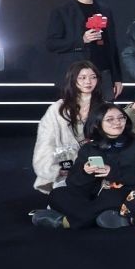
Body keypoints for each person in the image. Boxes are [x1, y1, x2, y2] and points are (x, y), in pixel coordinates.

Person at [33, 103, 135, 230]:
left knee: (111, 197)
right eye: (110, 119)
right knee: (57, 194)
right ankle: (102, 217)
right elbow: (72, 183)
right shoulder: (89, 148)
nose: (117, 122)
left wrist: (113, 172)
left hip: (128, 194)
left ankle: (67, 222)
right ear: (97, 124)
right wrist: (85, 172)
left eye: (121, 118)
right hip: (94, 196)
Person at [33, 62, 107, 194]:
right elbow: (45, 144)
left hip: (99, 166)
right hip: (67, 167)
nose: (88, 81)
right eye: (82, 77)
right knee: (65, 195)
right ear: (73, 80)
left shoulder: (105, 108)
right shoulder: (57, 109)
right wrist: (56, 170)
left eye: (93, 77)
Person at [44, 0, 118, 83]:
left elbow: (112, 46)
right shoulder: (62, 11)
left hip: (103, 75)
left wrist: (116, 78)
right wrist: (82, 40)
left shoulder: (105, 10)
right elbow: (52, 44)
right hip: (74, 76)